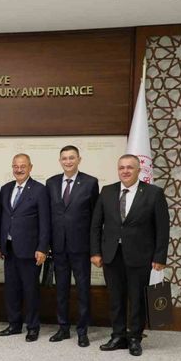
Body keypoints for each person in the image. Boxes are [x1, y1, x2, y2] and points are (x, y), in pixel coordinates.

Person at [91, 154, 169, 356]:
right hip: (111, 255)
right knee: (115, 298)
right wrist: (95, 252)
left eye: (130, 167)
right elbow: (96, 225)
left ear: (138, 170)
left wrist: (160, 257)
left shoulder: (153, 193)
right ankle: (117, 335)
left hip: (140, 255)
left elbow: (162, 228)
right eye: (121, 168)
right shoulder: (107, 191)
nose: (125, 171)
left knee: (137, 299)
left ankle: (134, 337)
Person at [45, 145, 99, 347]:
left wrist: (95, 249)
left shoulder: (90, 182)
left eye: (71, 158)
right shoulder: (50, 183)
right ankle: (63, 328)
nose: (68, 161)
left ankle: (82, 331)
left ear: (79, 159)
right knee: (61, 290)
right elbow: (48, 216)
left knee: (83, 290)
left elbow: (95, 219)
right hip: (58, 247)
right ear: (60, 161)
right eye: (64, 158)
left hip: (81, 247)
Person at [0, 153, 50, 342]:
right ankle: (14, 324)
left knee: (30, 290)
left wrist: (43, 248)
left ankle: (33, 327)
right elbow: (3, 218)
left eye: (23, 166)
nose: (19, 169)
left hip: (30, 249)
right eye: (15, 166)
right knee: (11, 289)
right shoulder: (5, 189)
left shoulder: (39, 190)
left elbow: (45, 221)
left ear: (30, 167)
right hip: (9, 248)